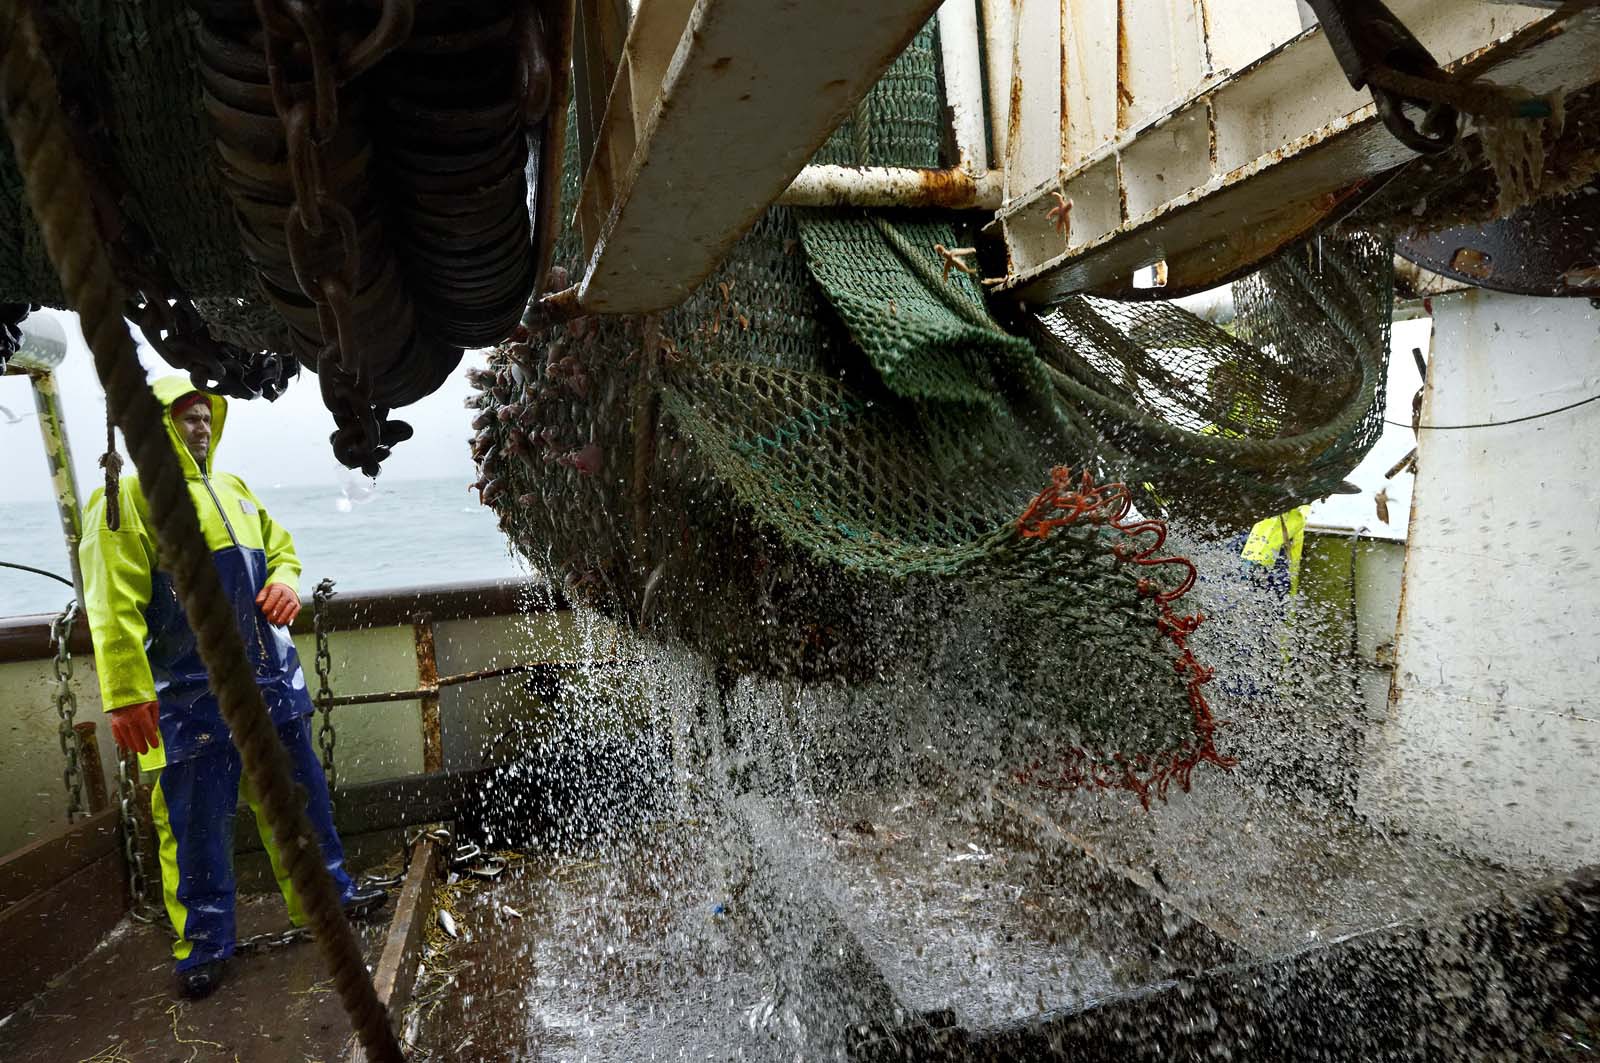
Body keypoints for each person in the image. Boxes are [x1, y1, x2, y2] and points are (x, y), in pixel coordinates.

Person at [79, 376, 385, 999]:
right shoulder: (126, 498)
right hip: (185, 699)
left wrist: (289, 582)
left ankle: (327, 903)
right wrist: (125, 691)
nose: (201, 427)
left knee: (301, 805)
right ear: (156, 424)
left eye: (205, 417)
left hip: (272, 685)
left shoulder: (235, 489)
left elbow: (282, 551)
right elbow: (112, 605)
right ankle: (205, 944)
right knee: (195, 828)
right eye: (186, 418)